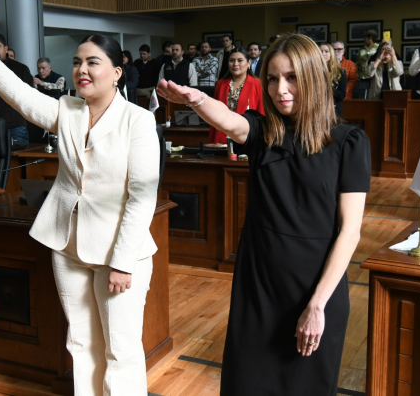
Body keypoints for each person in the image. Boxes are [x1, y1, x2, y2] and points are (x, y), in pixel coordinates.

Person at [0, 10, 160, 396]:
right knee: (81, 341)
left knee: (121, 348)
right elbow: (21, 95)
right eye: (77, 62)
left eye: (93, 62)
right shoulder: (68, 110)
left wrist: (123, 263)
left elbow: (141, 198)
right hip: (68, 244)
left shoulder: (138, 121)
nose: (82, 70)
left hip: (118, 252)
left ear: (117, 72)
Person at [157, 33, 370, 395]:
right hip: (259, 287)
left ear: (313, 78)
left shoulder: (348, 141)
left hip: (316, 289)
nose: (280, 89)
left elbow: (350, 231)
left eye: (292, 78)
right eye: (272, 78)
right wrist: (197, 99)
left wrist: (317, 306)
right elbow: (230, 121)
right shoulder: (263, 132)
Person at [209, 47, 264, 144]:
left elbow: (262, 114)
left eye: (240, 60)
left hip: (247, 136)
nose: (235, 64)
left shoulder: (258, 84)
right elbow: (214, 114)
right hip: (222, 136)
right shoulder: (220, 84)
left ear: (249, 63)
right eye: (232, 60)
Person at [320, 43, 347, 116]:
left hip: (334, 110)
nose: (323, 54)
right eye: (321, 51)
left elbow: (342, 95)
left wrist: (328, 87)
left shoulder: (340, 71)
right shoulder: (313, 71)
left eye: (326, 51)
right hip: (317, 110)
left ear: (331, 54)